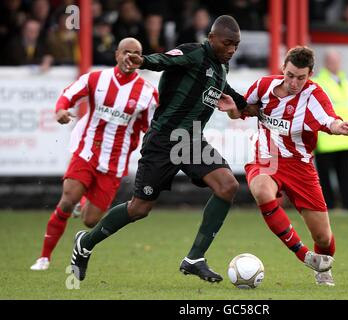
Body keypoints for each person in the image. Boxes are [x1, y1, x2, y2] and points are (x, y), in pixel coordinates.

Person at [70, 15, 253, 283]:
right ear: (211, 38)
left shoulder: (220, 68)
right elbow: (165, 60)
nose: (232, 50)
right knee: (139, 208)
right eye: (227, 43)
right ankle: (85, 243)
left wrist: (251, 107)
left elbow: (235, 97)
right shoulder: (192, 53)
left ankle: (194, 258)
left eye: (236, 45)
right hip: (163, 141)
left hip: (190, 142)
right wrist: (143, 61)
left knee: (228, 186)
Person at [218, 46, 348, 286]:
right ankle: (305, 255)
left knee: (323, 237)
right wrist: (232, 111)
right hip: (266, 157)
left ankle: (323, 268)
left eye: (301, 77)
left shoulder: (314, 95)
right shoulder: (263, 87)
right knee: (262, 190)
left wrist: (339, 127)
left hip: (300, 165)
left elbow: (329, 120)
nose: (294, 82)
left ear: (309, 74)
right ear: (283, 68)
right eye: (290, 75)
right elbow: (240, 111)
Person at [30, 38, 158, 270]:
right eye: (126, 52)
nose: (130, 57)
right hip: (87, 149)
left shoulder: (148, 93)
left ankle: (84, 201)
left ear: (141, 58)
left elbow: (150, 127)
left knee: (91, 221)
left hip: (115, 162)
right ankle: (44, 257)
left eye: (136, 53)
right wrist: (60, 110)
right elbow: (68, 95)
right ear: (117, 54)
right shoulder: (96, 79)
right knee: (68, 198)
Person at [313, 49, 348, 210]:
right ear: (326, 63)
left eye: (337, 61)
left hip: (347, 138)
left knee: (347, 175)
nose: (335, 64)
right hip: (327, 139)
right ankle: (328, 206)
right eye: (331, 61)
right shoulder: (319, 82)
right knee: (324, 177)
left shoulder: (345, 81)